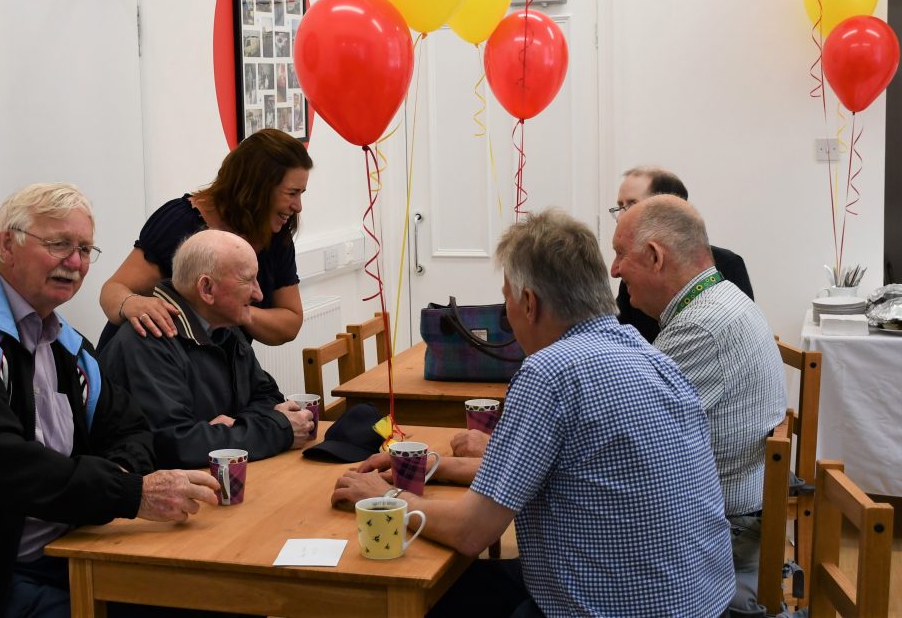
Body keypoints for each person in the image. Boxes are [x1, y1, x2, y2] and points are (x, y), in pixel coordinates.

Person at [333, 209, 735, 618]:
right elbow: (562, 471)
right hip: (700, 600)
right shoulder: (649, 356)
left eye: (506, 296)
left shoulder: (551, 370)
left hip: (619, 609)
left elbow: (472, 531)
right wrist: (439, 467)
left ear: (529, 303)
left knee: (424, 591)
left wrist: (386, 497)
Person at [0, 183, 218, 617]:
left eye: (85, 249)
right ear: (7, 244)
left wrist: (117, 478)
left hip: (67, 551)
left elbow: (130, 428)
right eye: (59, 245)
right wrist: (127, 492)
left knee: (205, 598)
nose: (74, 263)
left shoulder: (67, 345)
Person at [611, 195, 786, 615]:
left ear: (655, 257)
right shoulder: (718, 300)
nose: (614, 269)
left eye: (620, 254)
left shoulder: (700, 328)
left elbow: (626, 443)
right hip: (740, 507)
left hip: (726, 530)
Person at [101, 230, 314, 467]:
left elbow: (267, 396)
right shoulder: (148, 342)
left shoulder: (223, 324)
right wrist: (276, 430)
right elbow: (177, 445)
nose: (258, 293)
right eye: (248, 280)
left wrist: (234, 427)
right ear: (207, 289)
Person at [98, 128, 311, 349]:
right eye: (291, 193)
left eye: (301, 193)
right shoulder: (179, 223)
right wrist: (131, 303)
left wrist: (239, 312)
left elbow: (290, 323)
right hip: (151, 365)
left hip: (208, 370)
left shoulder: (274, 235)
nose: (298, 206)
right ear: (257, 187)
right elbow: (113, 290)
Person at [611, 166, 754, 342]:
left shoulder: (727, 266)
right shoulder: (633, 271)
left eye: (631, 205)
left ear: (670, 208)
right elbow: (617, 333)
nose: (620, 217)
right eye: (619, 207)